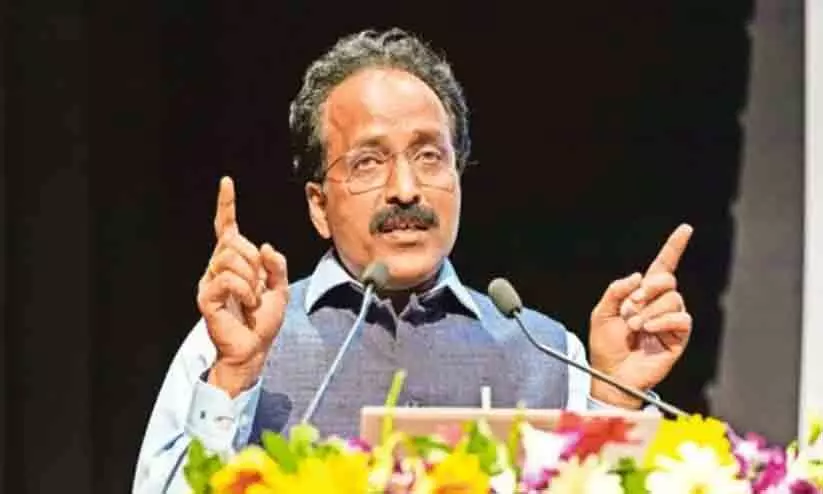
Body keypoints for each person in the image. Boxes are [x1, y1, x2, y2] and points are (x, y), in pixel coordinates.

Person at [132, 28, 693, 493]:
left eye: (429, 156)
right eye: (368, 162)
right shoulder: (235, 341)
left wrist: (615, 402)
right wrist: (235, 376)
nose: (405, 189)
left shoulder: (547, 353)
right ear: (319, 206)